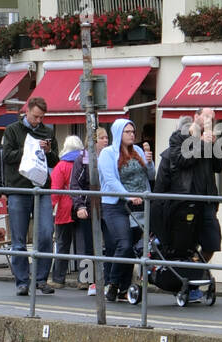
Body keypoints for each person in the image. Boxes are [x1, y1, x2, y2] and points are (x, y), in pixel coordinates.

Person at [0, 95, 59, 296]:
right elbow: (6, 156)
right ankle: (22, 282)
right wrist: (27, 149)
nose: (38, 121)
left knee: (44, 234)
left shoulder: (48, 131)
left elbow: (55, 161)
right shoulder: (12, 130)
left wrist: (49, 150)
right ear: (27, 111)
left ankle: (41, 279)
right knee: (18, 239)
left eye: (41, 117)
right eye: (35, 117)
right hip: (19, 188)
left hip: (41, 187)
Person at [98, 118, 154, 302]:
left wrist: (150, 162)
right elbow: (110, 180)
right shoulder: (107, 153)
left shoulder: (137, 151)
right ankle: (112, 284)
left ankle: (123, 288)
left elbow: (151, 176)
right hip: (115, 205)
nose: (132, 135)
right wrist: (128, 195)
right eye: (127, 132)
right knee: (124, 244)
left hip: (137, 205)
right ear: (118, 133)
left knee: (131, 248)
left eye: (133, 131)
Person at [157, 107, 222, 261]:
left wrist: (213, 145)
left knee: (212, 242)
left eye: (212, 118)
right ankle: (186, 278)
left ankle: (196, 271)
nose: (209, 121)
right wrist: (200, 142)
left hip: (207, 201)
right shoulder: (179, 137)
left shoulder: (213, 137)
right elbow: (181, 161)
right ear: (196, 116)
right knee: (183, 245)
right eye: (206, 116)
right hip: (187, 201)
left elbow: (218, 167)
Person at [70, 125, 110, 296]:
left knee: (111, 242)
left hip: (107, 205)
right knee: (89, 246)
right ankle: (87, 280)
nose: (106, 140)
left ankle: (107, 279)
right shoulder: (82, 158)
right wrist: (79, 205)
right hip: (89, 206)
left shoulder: (110, 157)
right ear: (93, 141)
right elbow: (75, 184)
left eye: (107, 137)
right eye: (102, 138)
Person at [50, 135, 84, 287]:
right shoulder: (86, 162)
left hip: (64, 209)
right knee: (84, 245)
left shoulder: (61, 166)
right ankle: (85, 280)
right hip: (83, 206)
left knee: (62, 244)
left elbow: (55, 190)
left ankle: (58, 279)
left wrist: (51, 208)